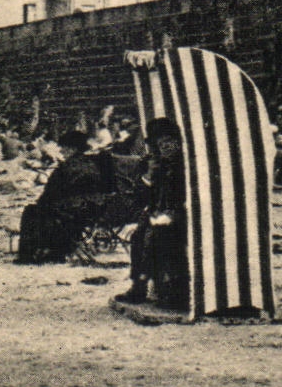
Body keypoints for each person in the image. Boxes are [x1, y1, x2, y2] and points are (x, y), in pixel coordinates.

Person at [116, 118, 188, 307]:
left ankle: (171, 291)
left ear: (178, 142)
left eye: (169, 142)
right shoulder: (157, 165)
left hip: (183, 215)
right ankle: (139, 286)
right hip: (161, 214)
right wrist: (148, 178)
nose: (165, 147)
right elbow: (142, 199)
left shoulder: (185, 164)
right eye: (160, 144)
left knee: (156, 236)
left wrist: (171, 213)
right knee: (139, 235)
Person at [16, 129, 111, 264]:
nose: (61, 150)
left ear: (72, 149)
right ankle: (58, 249)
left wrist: (41, 203)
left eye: (63, 147)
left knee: (31, 211)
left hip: (71, 211)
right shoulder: (94, 164)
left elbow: (50, 192)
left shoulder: (66, 167)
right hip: (94, 209)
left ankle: (29, 255)